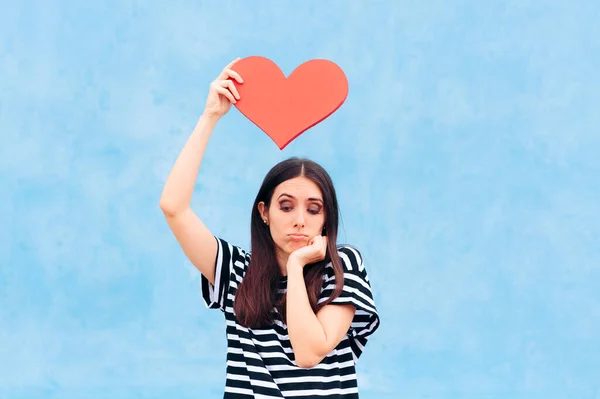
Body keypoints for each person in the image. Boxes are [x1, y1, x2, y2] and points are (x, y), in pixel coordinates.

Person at [159, 58, 380, 398]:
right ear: (264, 212)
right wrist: (210, 117)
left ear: (326, 219)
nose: (299, 220)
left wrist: (295, 267)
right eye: (286, 206)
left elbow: (309, 353)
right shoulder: (235, 271)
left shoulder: (342, 266)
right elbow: (173, 207)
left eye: (314, 209)